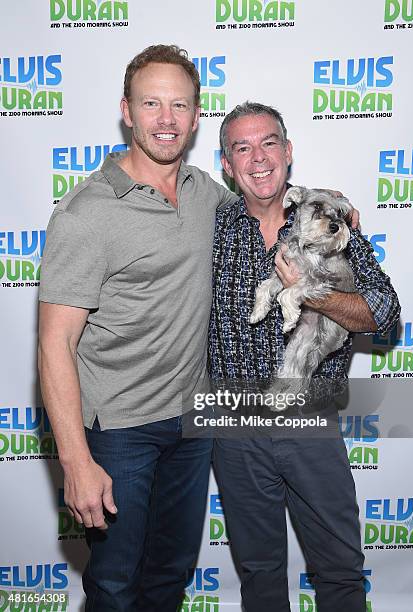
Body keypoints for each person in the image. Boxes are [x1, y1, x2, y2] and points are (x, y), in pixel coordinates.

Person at [37, 44, 238, 612]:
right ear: (126, 110)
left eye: (179, 106)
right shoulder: (88, 214)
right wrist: (76, 462)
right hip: (120, 431)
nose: (166, 120)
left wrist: (327, 205)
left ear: (198, 117)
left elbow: (266, 213)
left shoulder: (205, 194)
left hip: (192, 424)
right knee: (116, 586)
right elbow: (55, 343)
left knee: (169, 578)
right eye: (152, 103)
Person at [209, 102, 401, 612]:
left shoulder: (332, 219)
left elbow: (383, 312)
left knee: (338, 569)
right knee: (259, 573)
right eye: (241, 148)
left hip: (311, 417)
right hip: (233, 423)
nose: (258, 158)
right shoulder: (210, 223)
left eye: (269, 142)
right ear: (226, 165)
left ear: (288, 152)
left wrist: (311, 293)